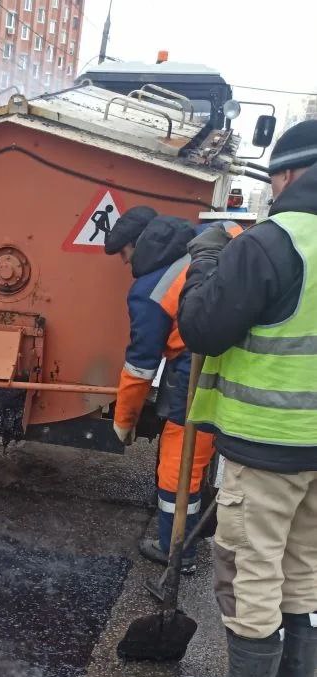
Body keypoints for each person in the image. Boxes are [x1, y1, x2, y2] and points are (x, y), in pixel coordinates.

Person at [177, 120, 317, 677]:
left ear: (287, 175)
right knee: (304, 564)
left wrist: (206, 270)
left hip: (268, 442)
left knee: (252, 564)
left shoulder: (272, 243)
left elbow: (204, 330)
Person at [104, 206, 215, 573]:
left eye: (123, 253)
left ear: (137, 244)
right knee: (200, 455)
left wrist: (124, 419)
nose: (124, 262)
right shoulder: (197, 246)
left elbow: (140, 366)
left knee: (179, 461)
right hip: (228, 361)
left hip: (198, 366)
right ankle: (191, 534)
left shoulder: (151, 289)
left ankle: (176, 553)